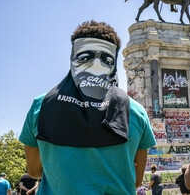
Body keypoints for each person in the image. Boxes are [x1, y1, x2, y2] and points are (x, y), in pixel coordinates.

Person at [19, 20, 156, 194]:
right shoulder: (136, 112)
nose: (97, 64)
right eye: (87, 57)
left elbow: (34, 171)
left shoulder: (41, 106)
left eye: (104, 59)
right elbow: (135, 180)